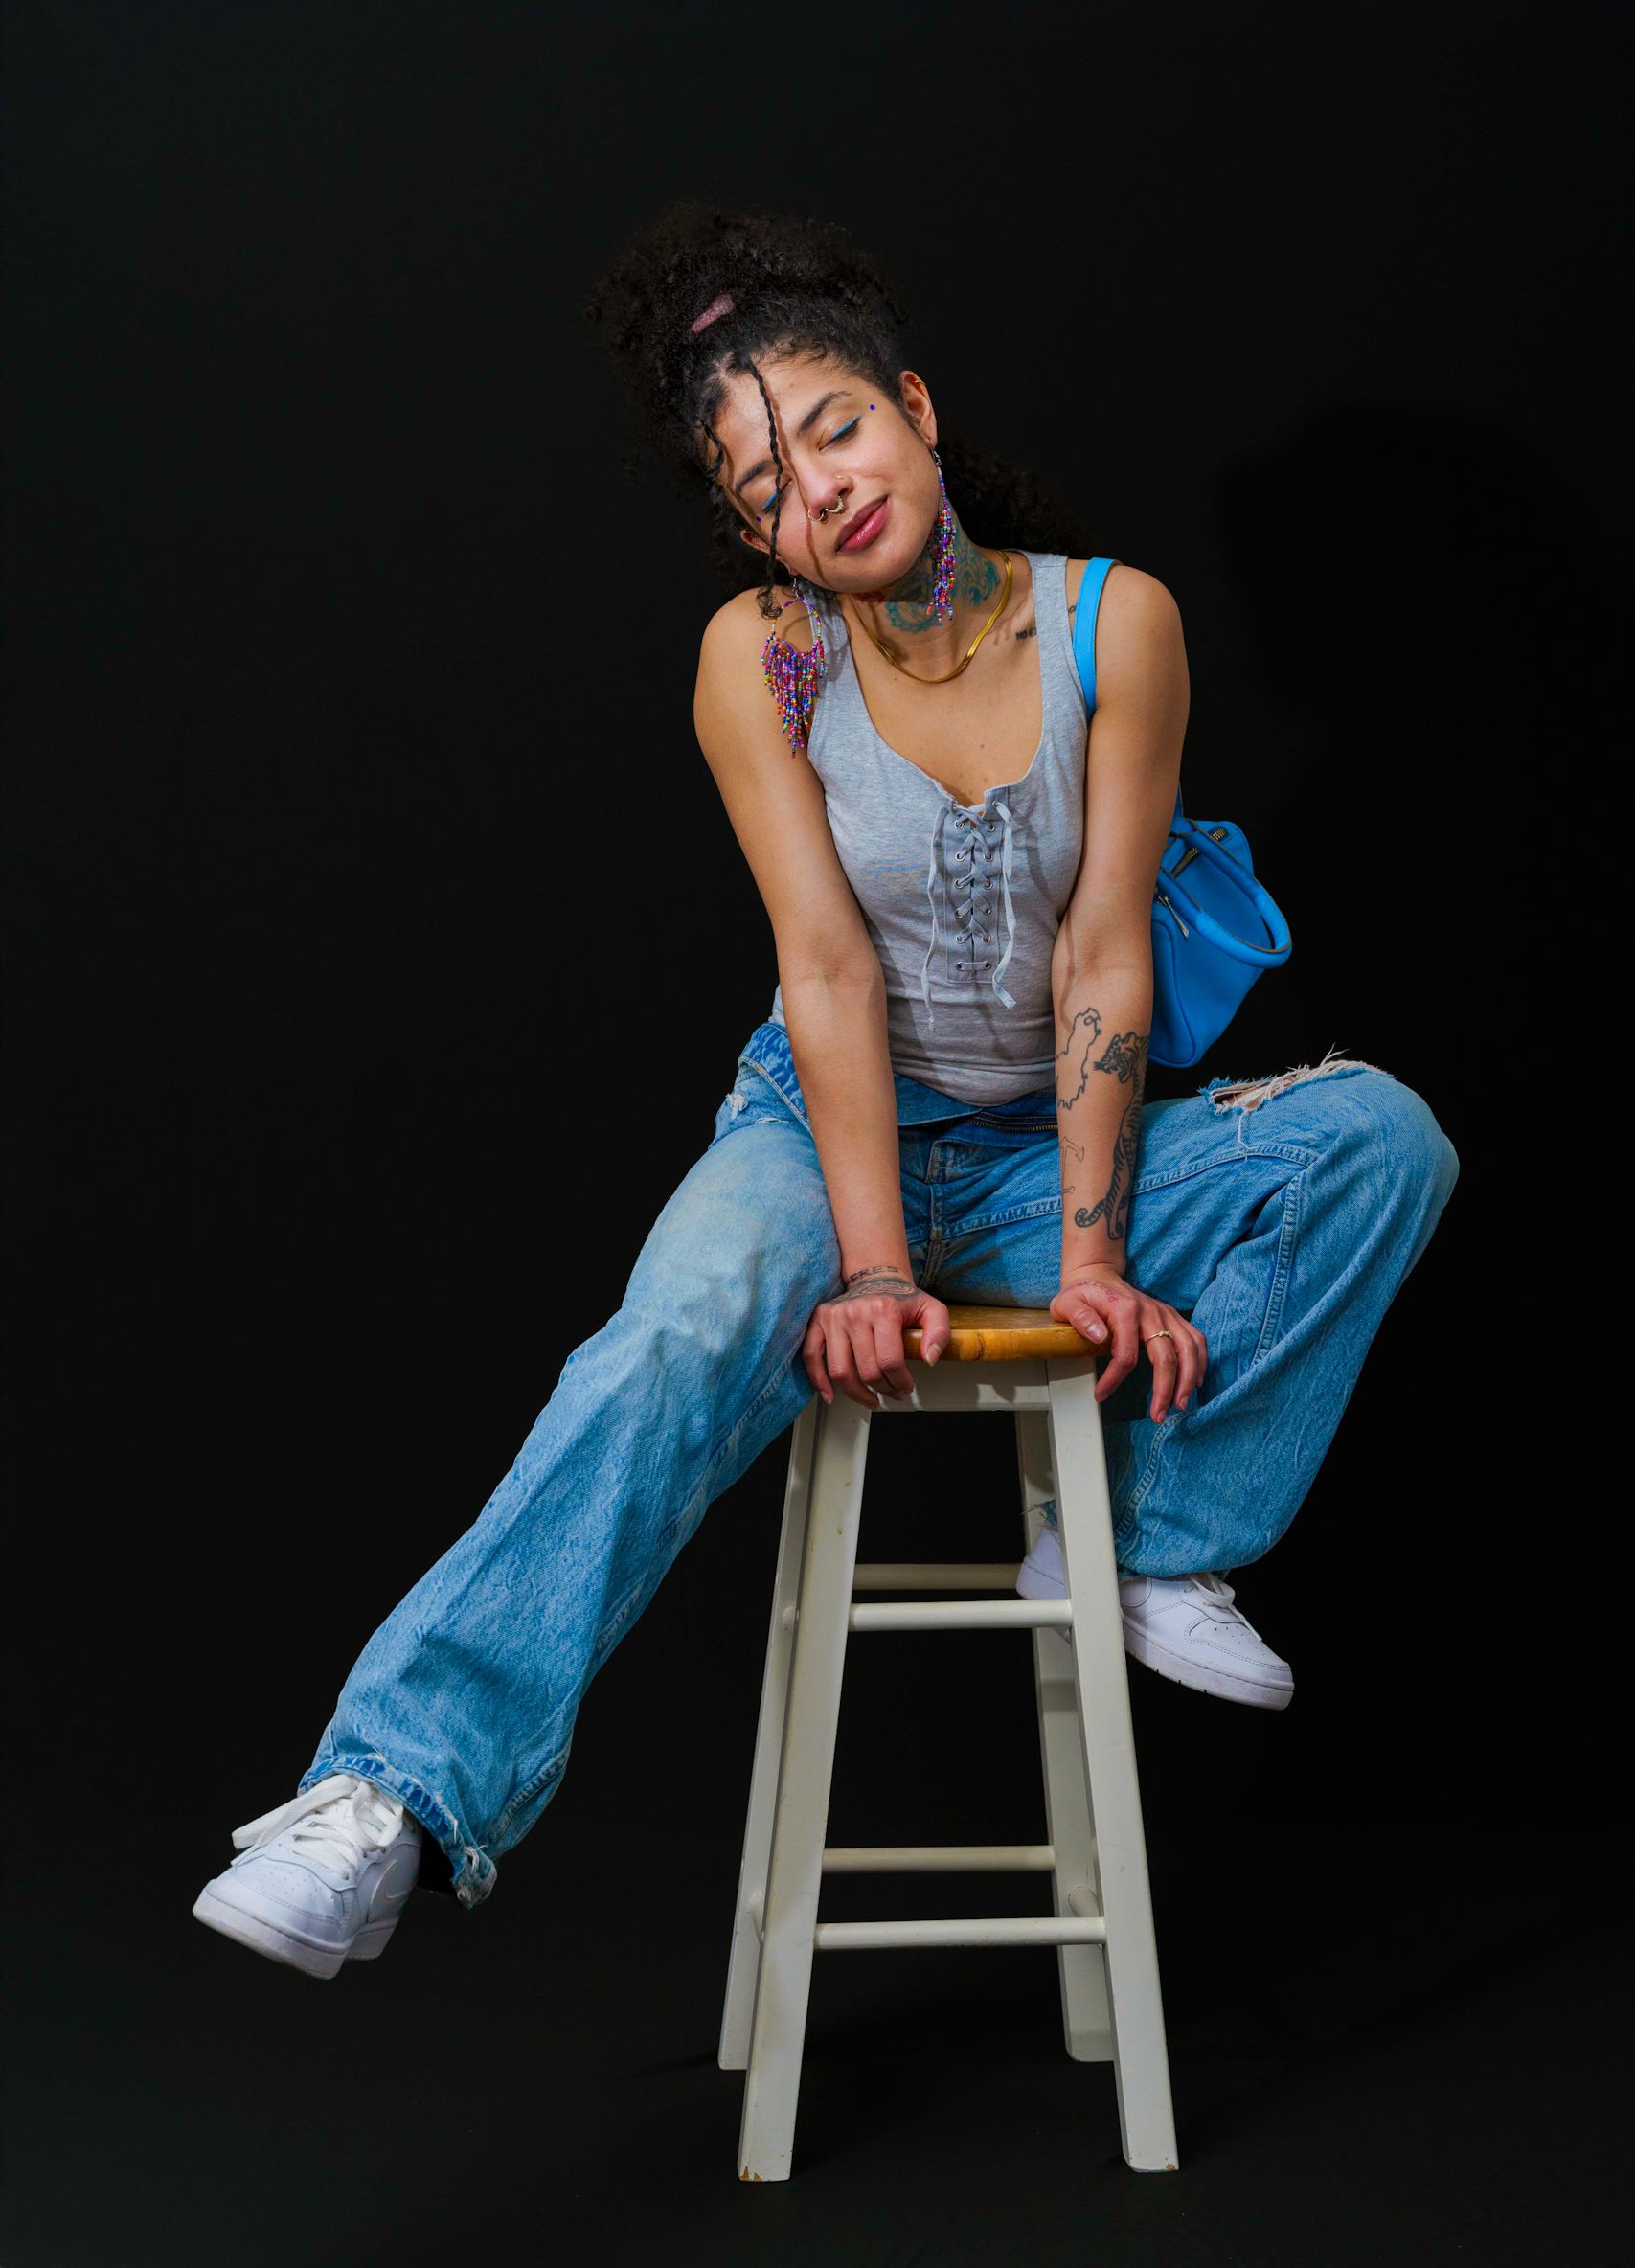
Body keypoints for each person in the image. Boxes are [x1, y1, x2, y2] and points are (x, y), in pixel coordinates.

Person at [193, 202, 1459, 1980]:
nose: (822, 492)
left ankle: (1158, 1542)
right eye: (768, 482)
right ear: (749, 524)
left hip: (1041, 1158)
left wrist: (1094, 1261)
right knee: (679, 1325)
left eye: (838, 429)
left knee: (1379, 1138)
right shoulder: (762, 656)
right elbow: (828, 966)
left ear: (918, 409)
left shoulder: (1117, 629)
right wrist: (870, 1267)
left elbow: (1110, 958)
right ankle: (385, 1793)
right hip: (819, 1132)